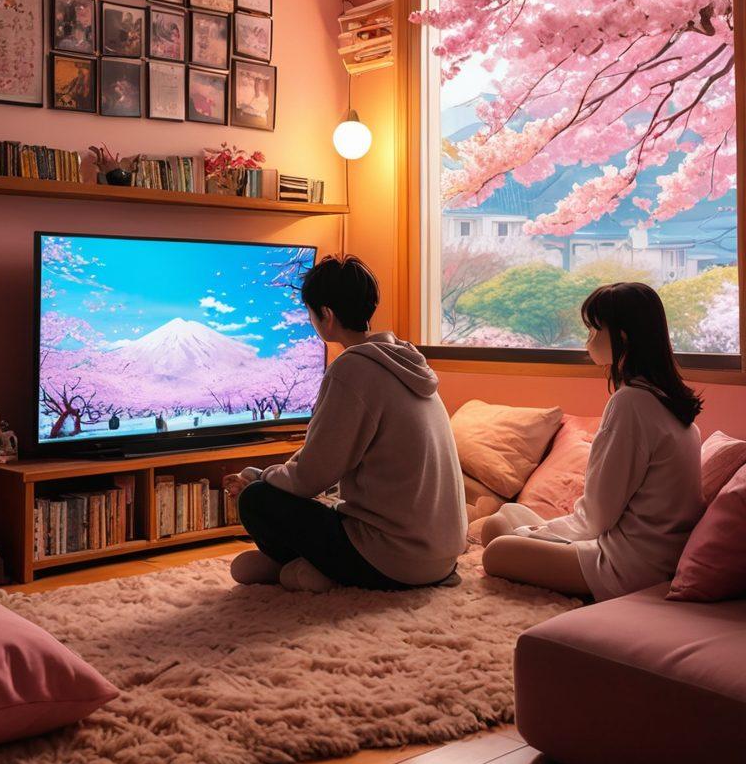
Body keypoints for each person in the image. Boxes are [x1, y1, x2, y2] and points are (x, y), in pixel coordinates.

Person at [225, 255, 467, 592]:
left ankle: (318, 572)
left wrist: (259, 480)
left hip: (395, 560)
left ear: (326, 314)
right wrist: (264, 473)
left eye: (311, 315)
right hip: (443, 557)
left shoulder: (353, 369)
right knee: (287, 498)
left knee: (256, 501)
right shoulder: (404, 362)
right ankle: (309, 569)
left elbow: (311, 477)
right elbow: (324, 456)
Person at [480, 282, 704, 600]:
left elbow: (598, 517)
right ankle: (526, 538)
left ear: (622, 336)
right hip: (648, 555)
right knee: (503, 520)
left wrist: (539, 534)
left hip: (627, 566)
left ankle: (526, 543)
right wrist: (540, 533)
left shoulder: (631, 404)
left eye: (594, 331)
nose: (588, 341)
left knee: (497, 549)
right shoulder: (666, 400)